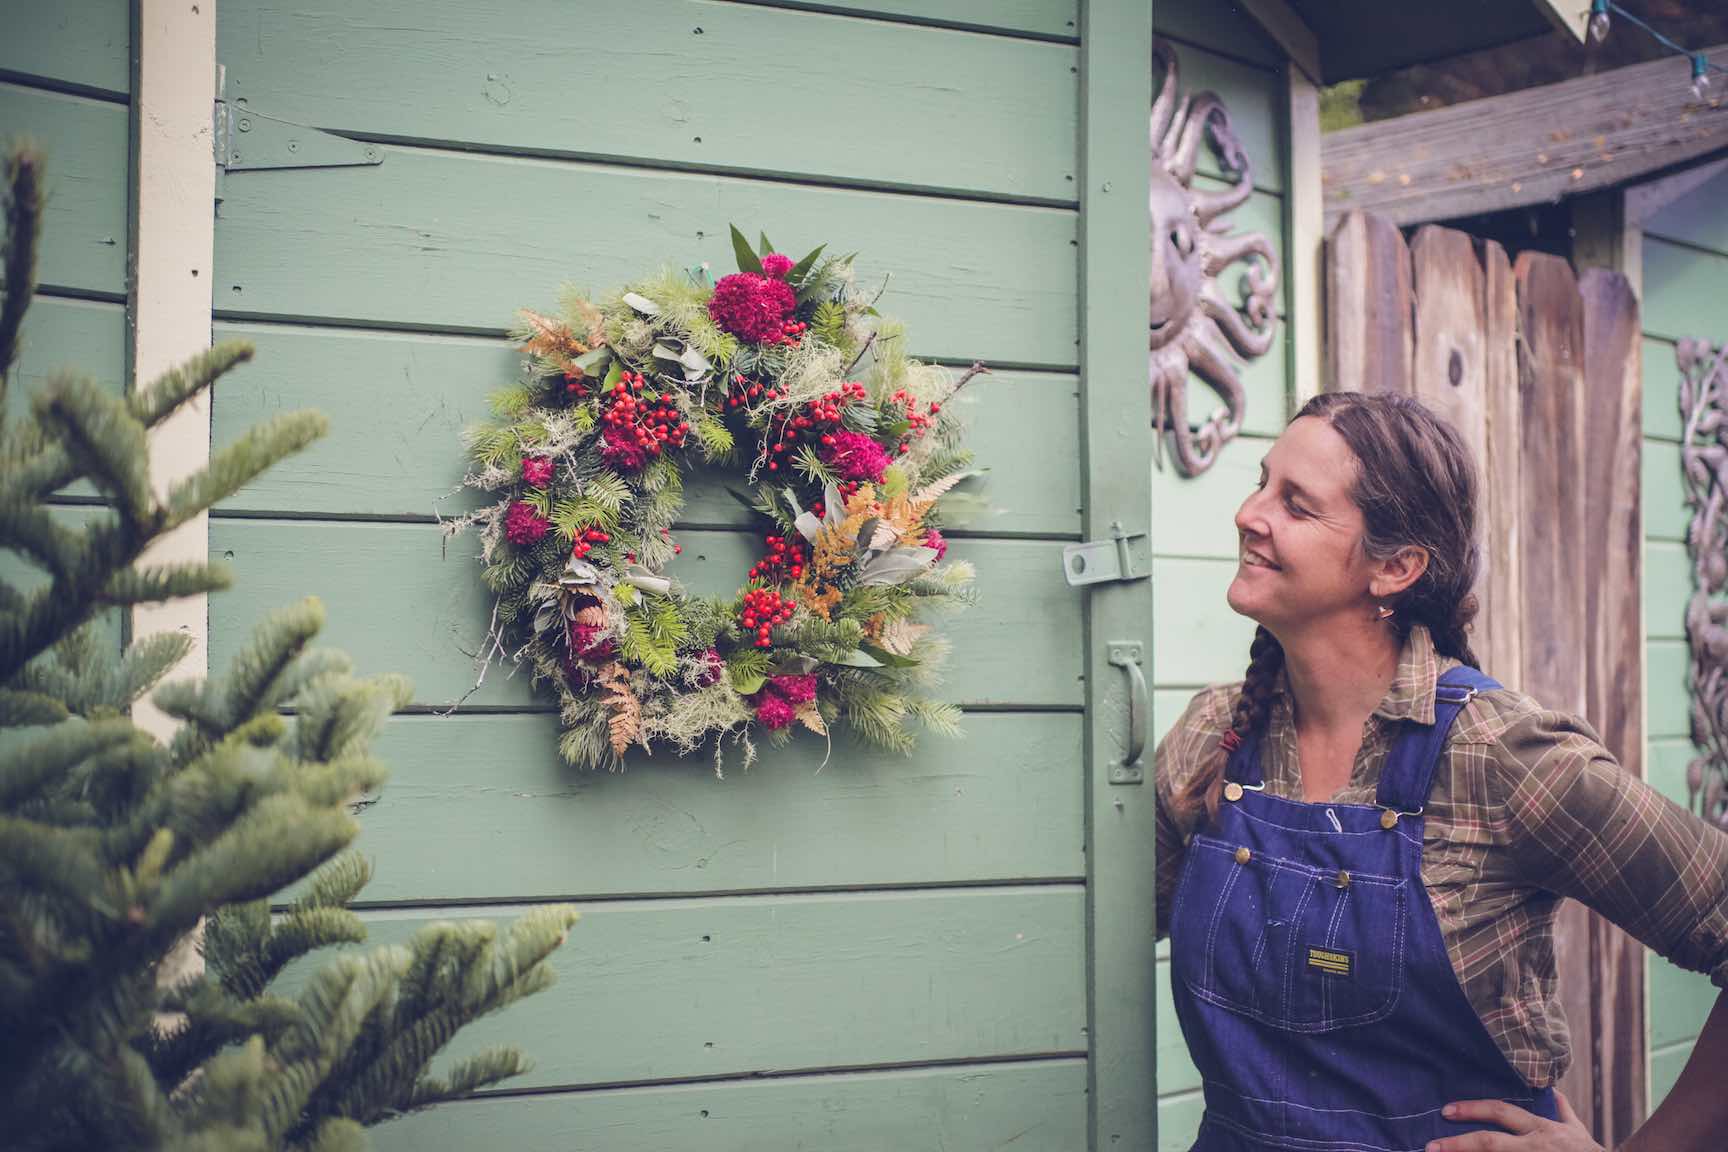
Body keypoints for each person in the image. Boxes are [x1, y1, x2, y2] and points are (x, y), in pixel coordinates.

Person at [1152, 391, 1728, 1152]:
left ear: (1394, 567)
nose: (1249, 513)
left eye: (1295, 503)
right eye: (1262, 482)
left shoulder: (1499, 756)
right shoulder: (1215, 736)